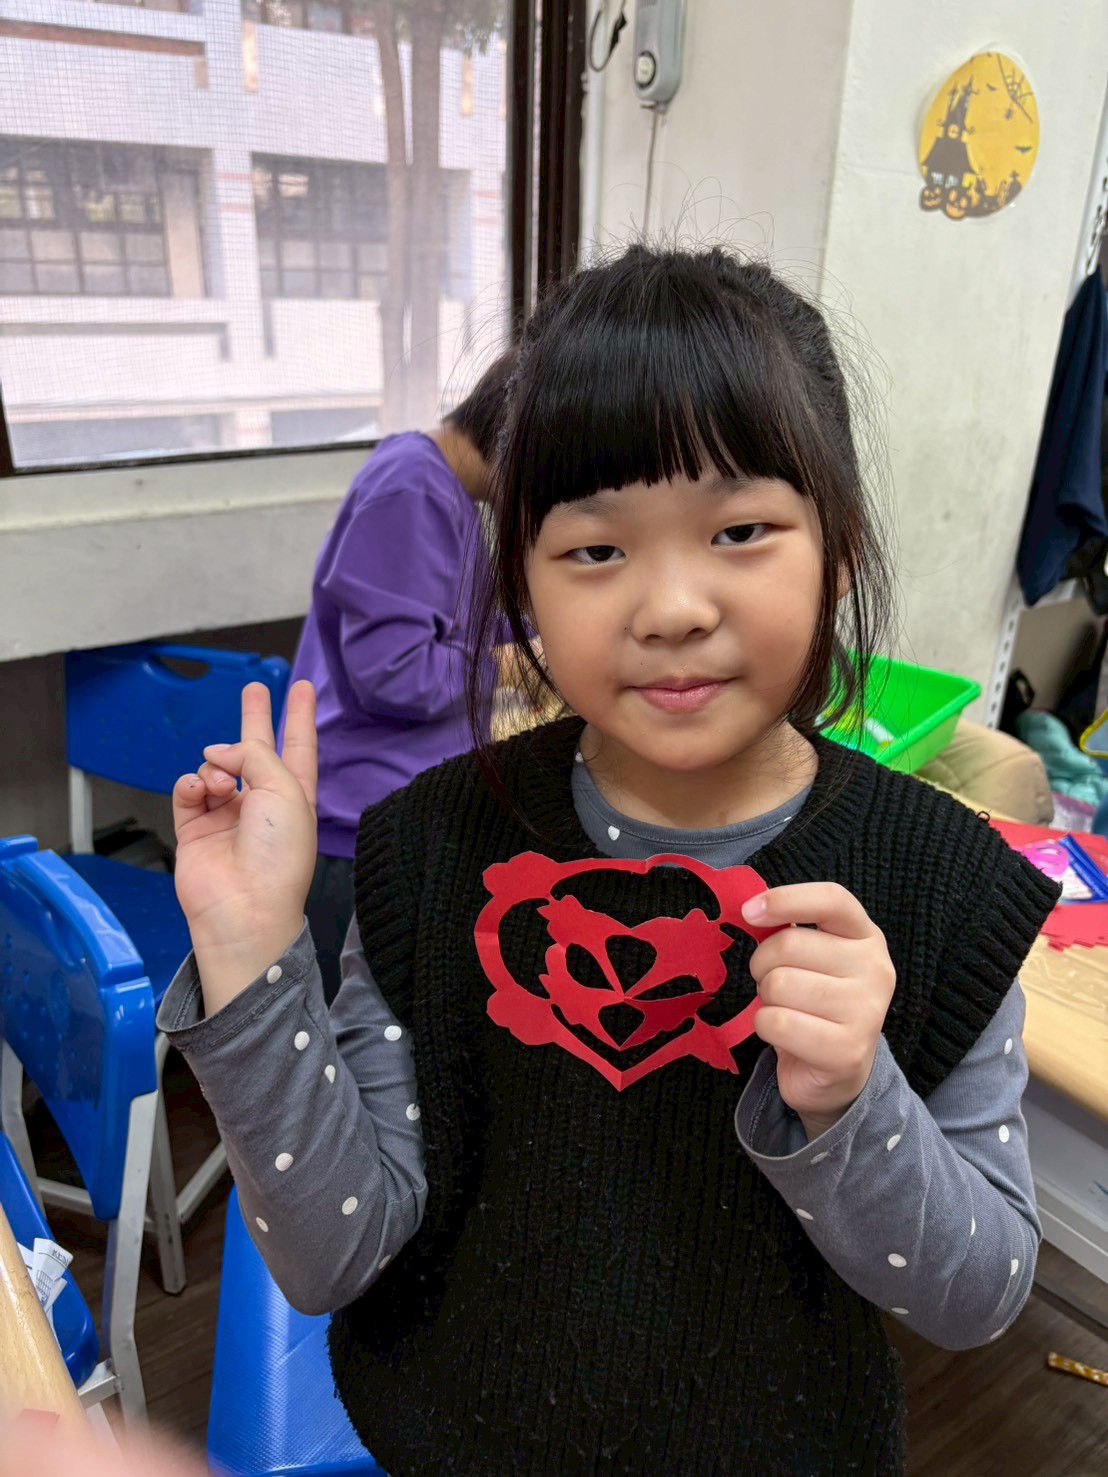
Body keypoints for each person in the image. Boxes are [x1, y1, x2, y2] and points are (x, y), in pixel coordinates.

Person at [162, 245, 1059, 1474]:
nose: (670, 606)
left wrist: (855, 1100)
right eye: (595, 549)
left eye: (740, 529)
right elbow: (334, 1254)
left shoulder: (942, 882)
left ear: (838, 549)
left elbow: (977, 1295)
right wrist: (251, 953)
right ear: (521, 578)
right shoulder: (429, 846)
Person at [285, 349, 517, 1002]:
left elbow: (466, 624)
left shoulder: (444, 488)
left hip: (400, 809)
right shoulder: (412, 488)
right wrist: (507, 667)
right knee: (359, 1029)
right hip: (359, 829)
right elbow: (396, 673)